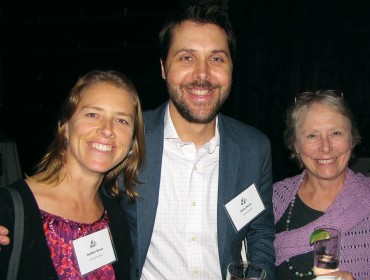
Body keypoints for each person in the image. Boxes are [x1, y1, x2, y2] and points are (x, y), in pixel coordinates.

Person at [120, 4, 276, 280]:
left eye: (216, 59)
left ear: (231, 68)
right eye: (186, 58)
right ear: (163, 68)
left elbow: (260, 232)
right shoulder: (128, 137)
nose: (202, 75)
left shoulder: (254, 148)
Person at [0, 70, 145, 279]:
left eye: (122, 120)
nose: (107, 130)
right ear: (65, 127)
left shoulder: (115, 216)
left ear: (132, 142)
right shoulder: (9, 211)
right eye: (93, 114)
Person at [273, 90, 370, 280]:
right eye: (312, 136)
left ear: (352, 140)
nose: (325, 148)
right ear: (295, 145)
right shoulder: (272, 200)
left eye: (336, 133)